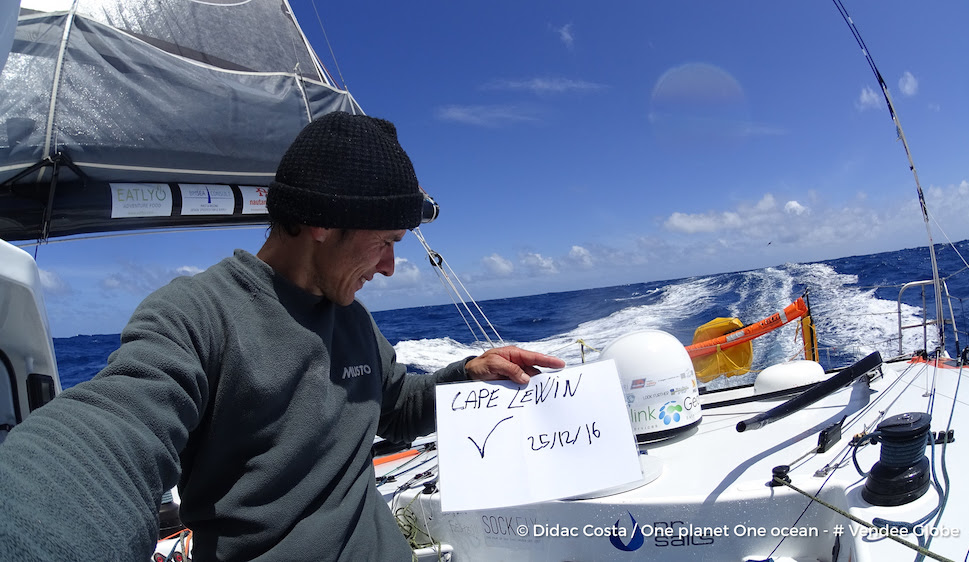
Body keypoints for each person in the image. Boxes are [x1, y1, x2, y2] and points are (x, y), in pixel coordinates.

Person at [0, 112, 565, 561]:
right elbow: (109, 435)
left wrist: (467, 374)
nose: (391, 267)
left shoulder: (352, 318)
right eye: (386, 241)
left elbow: (394, 407)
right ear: (321, 221)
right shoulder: (198, 316)